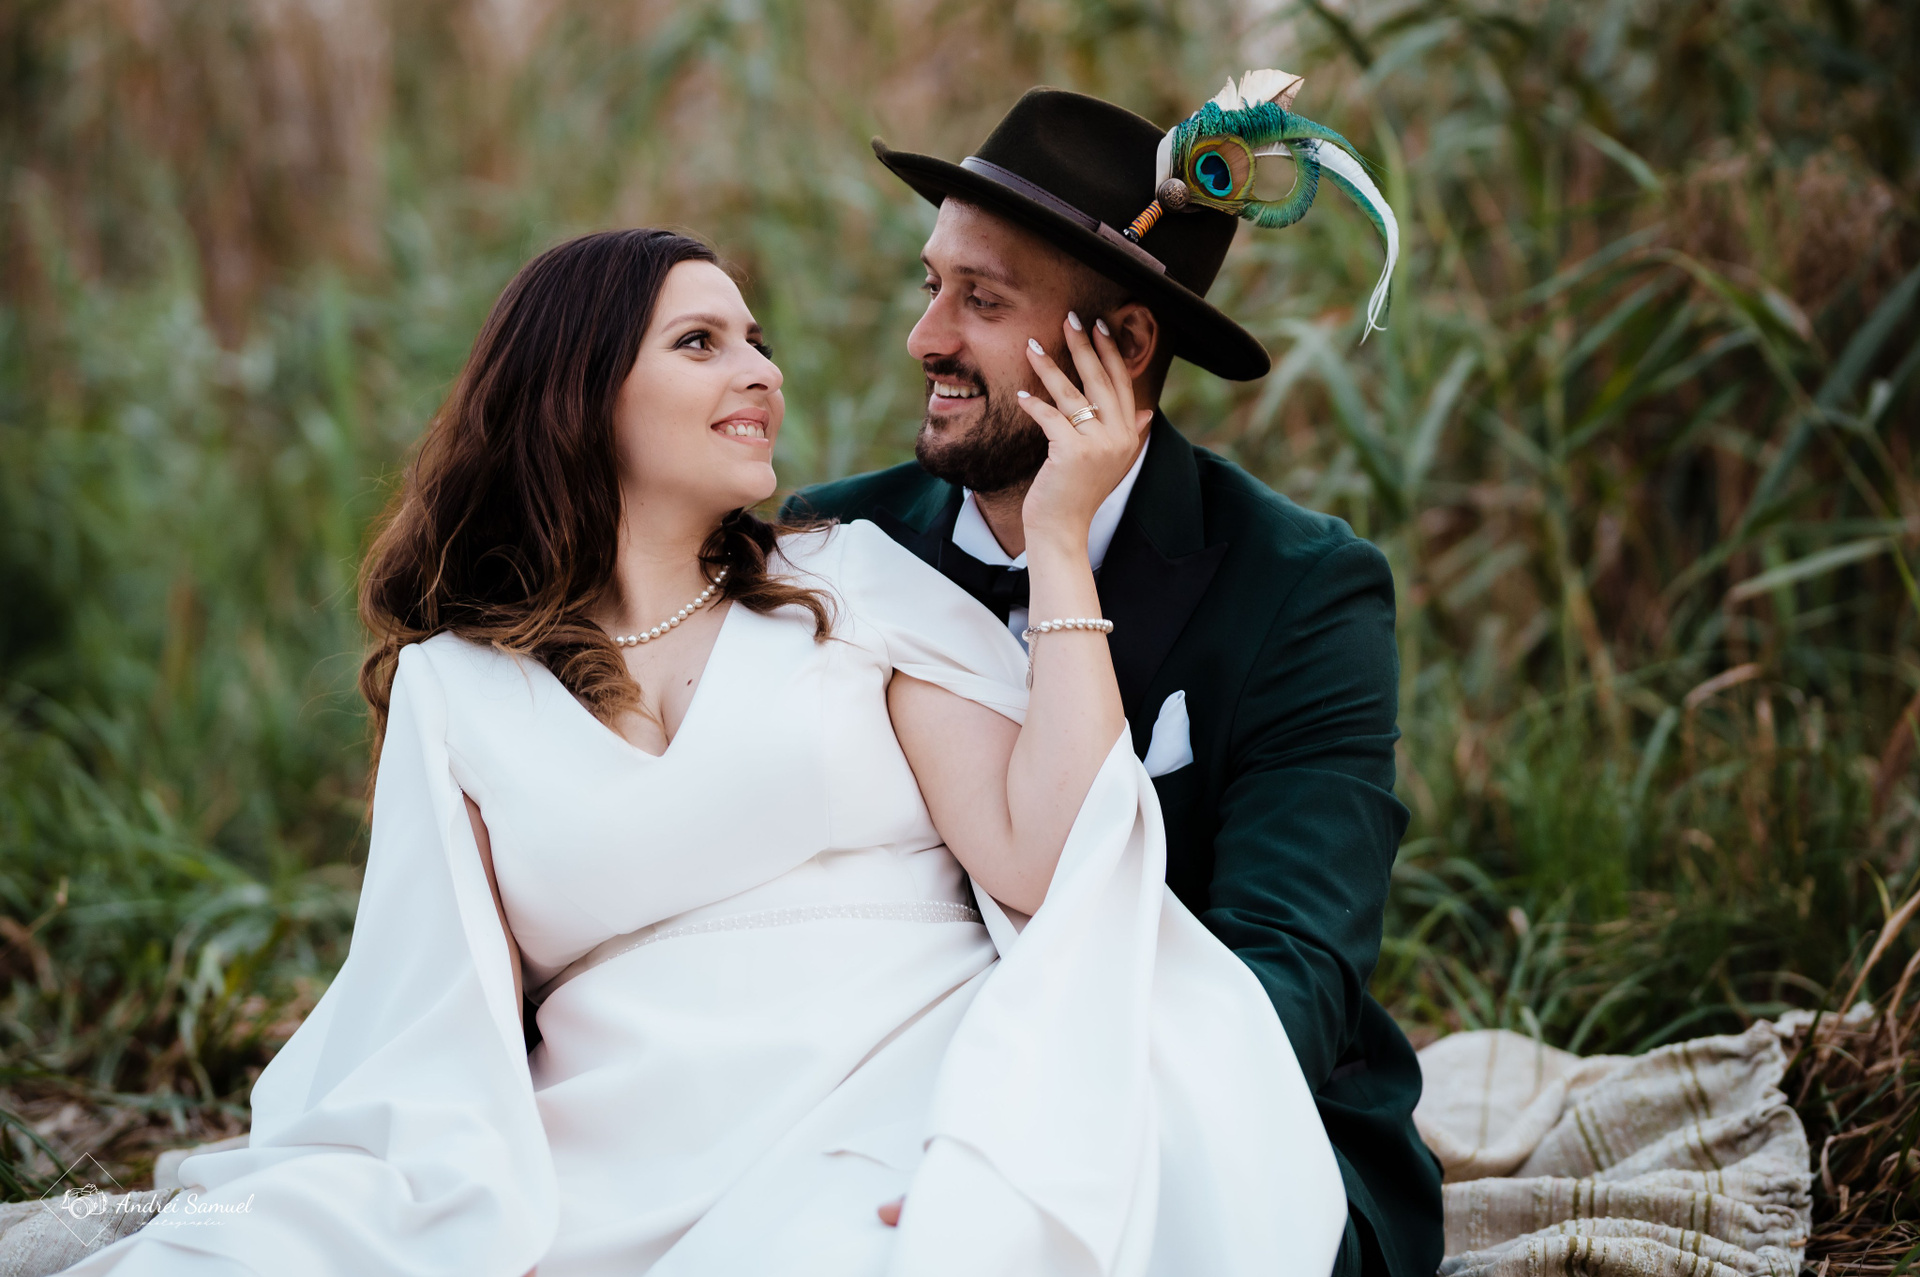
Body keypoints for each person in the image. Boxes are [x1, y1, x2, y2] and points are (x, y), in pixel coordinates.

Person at [59, 228, 1345, 1277]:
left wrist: (1061, 537)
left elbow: (1050, 858)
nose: (762, 372)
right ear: (578, 390)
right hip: (618, 1153)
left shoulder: (849, 582)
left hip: (894, 1107)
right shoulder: (459, 688)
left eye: (758, 340)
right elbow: (430, 1010)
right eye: (702, 342)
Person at [784, 83, 1445, 1277]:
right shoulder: (837, 546)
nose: (926, 338)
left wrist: (1040, 1141)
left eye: (982, 300)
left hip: (1196, 1111)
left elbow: (1293, 964)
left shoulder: (1301, 590)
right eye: (931, 285)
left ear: (1128, 346)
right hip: (879, 1100)